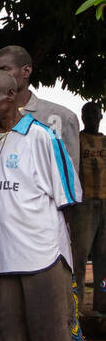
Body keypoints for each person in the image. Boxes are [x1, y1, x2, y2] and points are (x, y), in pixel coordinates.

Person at [0, 46, 92, 341]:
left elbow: (69, 197)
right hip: (2, 257)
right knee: (10, 334)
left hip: (43, 253)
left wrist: (65, 253)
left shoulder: (43, 136)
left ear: (11, 95)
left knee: (51, 336)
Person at [75, 102, 104, 316]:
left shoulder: (105, 141)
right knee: (80, 256)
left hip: (105, 202)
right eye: (88, 114)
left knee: (104, 258)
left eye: (96, 113)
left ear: (101, 116)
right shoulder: (77, 141)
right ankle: (76, 305)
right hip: (84, 203)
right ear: (83, 117)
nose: (93, 117)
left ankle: (102, 304)